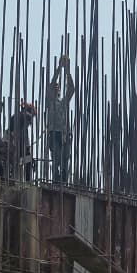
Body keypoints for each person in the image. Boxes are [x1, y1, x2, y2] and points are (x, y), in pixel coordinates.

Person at [45, 56, 76, 184]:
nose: (56, 88)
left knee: (64, 160)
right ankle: (56, 181)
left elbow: (72, 89)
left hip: (64, 134)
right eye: (54, 87)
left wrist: (67, 71)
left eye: (57, 87)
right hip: (54, 133)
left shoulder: (63, 103)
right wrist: (59, 68)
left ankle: (63, 182)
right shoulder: (50, 101)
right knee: (56, 159)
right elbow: (51, 84)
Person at [4, 102, 37, 181]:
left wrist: (30, 157)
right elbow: (14, 141)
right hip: (10, 148)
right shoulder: (18, 119)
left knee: (28, 160)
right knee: (24, 160)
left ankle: (27, 181)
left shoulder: (24, 129)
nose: (30, 122)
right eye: (30, 119)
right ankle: (25, 181)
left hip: (17, 149)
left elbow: (26, 147)